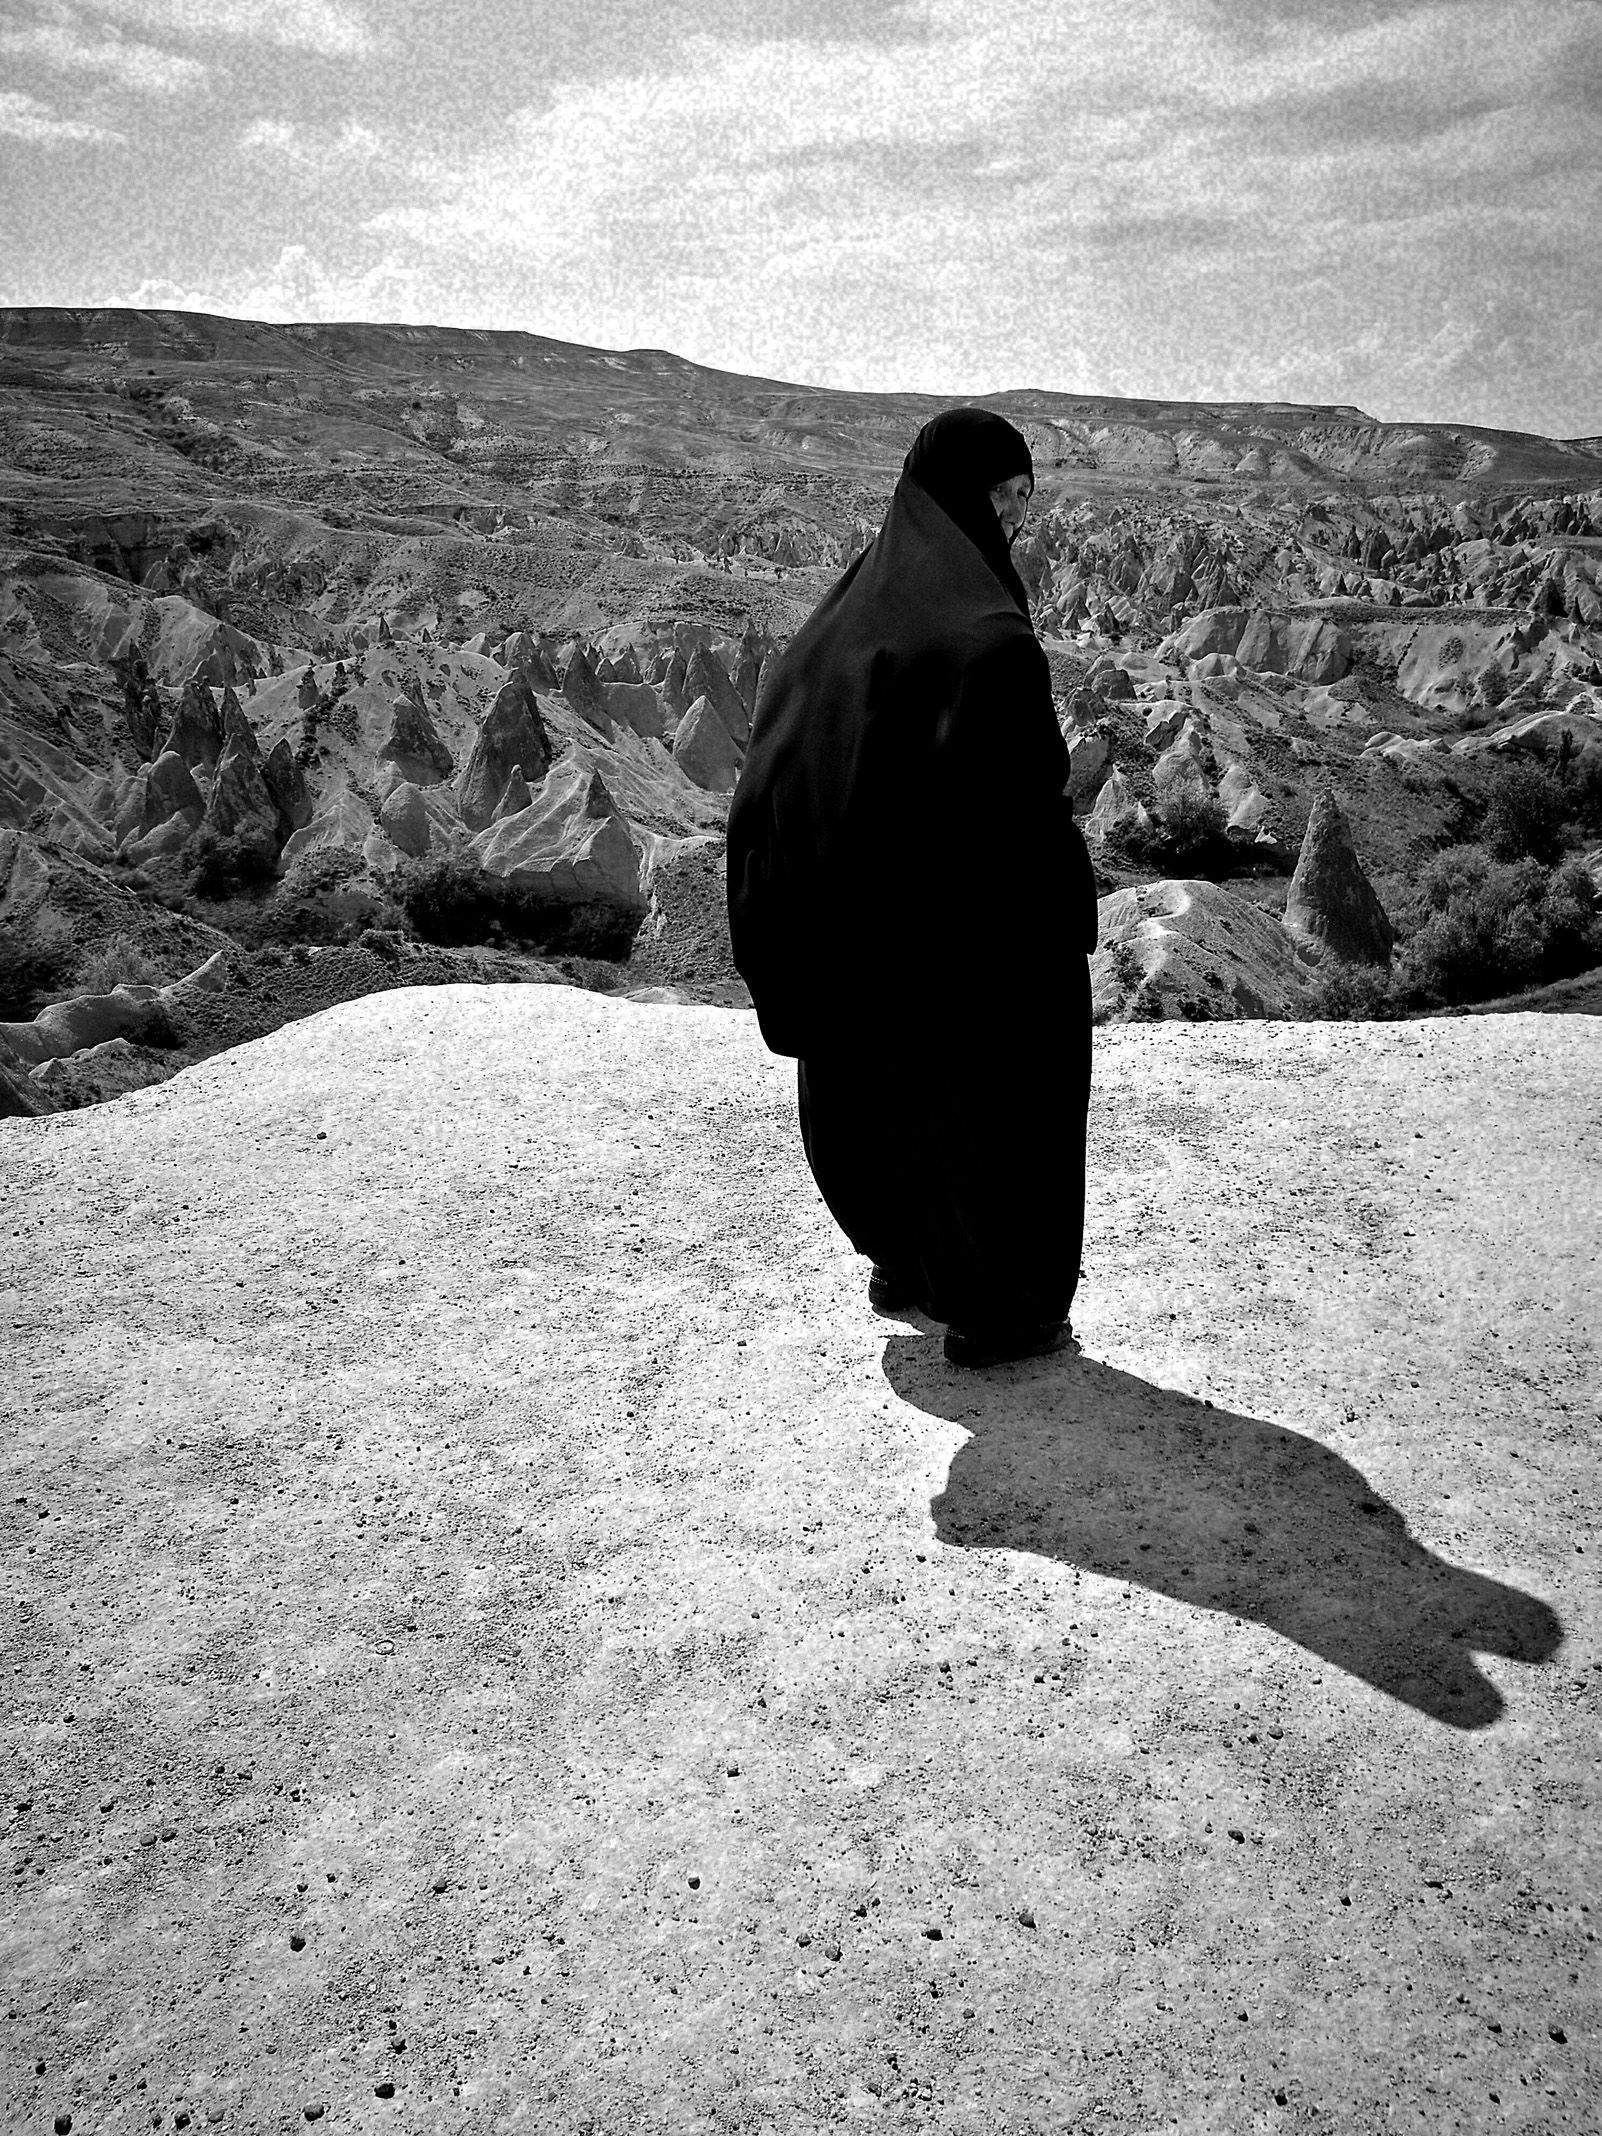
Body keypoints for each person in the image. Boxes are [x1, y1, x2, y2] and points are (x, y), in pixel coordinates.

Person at [726, 407, 1099, 1368]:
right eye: (1010, 496)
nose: (1022, 517)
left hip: (853, 937)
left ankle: (904, 1257)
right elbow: (1022, 814)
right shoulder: (988, 640)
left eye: (1029, 497)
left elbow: (784, 784)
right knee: (1004, 1092)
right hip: (958, 944)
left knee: (877, 1085)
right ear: (967, 498)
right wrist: (1065, 919)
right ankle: (1000, 1307)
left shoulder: (839, 623)